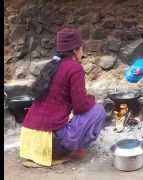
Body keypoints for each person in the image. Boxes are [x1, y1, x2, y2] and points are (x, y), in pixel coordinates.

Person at [20, 28, 107, 167]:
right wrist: (91, 99)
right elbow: (80, 107)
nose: (82, 52)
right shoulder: (74, 68)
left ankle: (40, 154)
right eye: (82, 48)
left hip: (28, 140)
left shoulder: (51, 65)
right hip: (50, 145)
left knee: (73, 114)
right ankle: (72, 150)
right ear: (75, 50)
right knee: (98, 110)